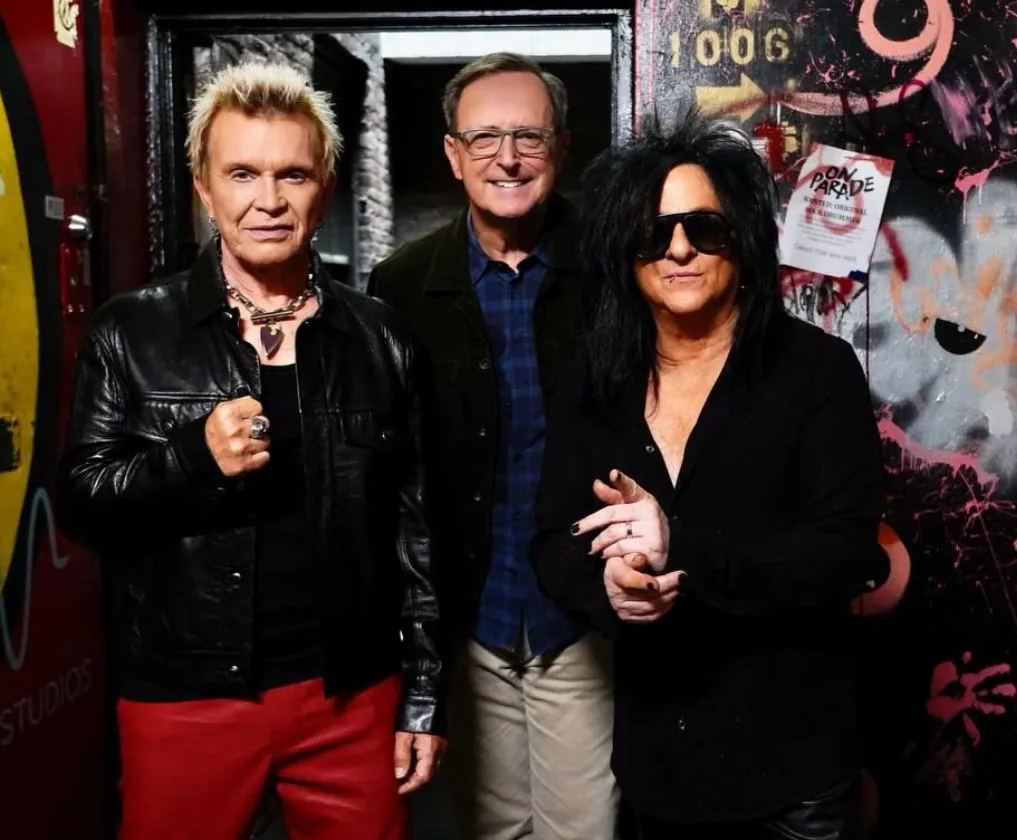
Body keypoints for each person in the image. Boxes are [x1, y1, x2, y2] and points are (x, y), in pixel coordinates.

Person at [56, 61, 445, 840]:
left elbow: (419, 534)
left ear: (324, 188)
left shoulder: (382, 340)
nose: (268, 200)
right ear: (204, 188)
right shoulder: (131, 332)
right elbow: (81, 506)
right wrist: (189, 459)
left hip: (350, 695)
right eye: (242, 174)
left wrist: (424, 695)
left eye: (291, 174)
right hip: (186, 695)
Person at [530, 109, 887, 840]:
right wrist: (606, 588)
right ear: (624, 254)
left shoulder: (815, 372)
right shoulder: (595, 384)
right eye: (653, 232)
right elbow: (551, 540)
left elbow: (847, 555)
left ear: (743, 241)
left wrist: (679, 544)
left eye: (705, 228)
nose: (679, 249)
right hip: (661, 767)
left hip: (794, 774)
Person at [367, 52, 619, 840]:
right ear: (453, 154)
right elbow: (391, 472)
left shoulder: (616, 269)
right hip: (469, 613)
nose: (506, 158)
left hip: (579, 611)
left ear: (561, 148)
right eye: (483, 138)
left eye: (527, 137)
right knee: (492, 829)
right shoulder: (401, 285)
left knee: (585, 829)